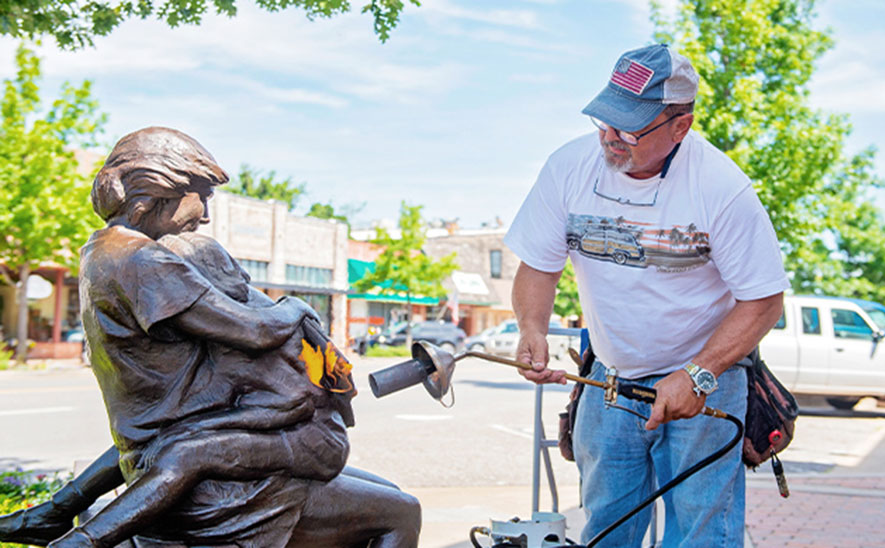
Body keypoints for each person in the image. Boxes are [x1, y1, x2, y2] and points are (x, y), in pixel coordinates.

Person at [0, 127, 420, 548]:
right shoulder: (146, 262)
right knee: (402, 512)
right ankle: (74, 537)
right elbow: (261, 334)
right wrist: (296, 307)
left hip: (158, 458)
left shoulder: (99, 251)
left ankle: (54, 513)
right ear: (162, 187)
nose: (203, 215)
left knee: (373, 486)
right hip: (211, 492)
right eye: (201, 196)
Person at [503, 44, 787, 546]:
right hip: (608, 376)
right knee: (607, 525)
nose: (610, 138)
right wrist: (532, 327)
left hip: (707, 377)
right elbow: (538, 267)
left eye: (629, 128)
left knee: (700, 532)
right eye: (605, 121)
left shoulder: (722, 188)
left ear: (681, 126)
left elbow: (763, 301)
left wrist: (699, 374)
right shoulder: (569, 168)